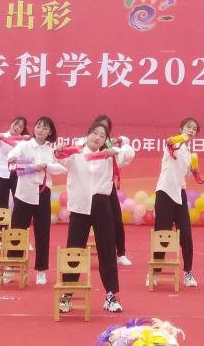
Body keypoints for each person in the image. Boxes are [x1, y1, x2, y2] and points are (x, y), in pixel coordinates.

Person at [55, 120, 135, 313]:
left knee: (107, 251)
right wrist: (59, 151)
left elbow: (129, 153)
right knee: (74, 251)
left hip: (102, 205)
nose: (97, 137)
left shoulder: (110, 156)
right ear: (87, 134)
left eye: (102, 135)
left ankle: (111, 296)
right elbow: (59, 158)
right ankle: (67, 296)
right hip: (80, 207)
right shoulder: (76, 153)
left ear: (106, 139)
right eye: (95, 133)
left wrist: (115, 149)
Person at [7, 116, 66, 286]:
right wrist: (17, 160)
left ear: (50, 132)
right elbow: (12, 157)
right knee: (17, 232)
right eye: (38, 126)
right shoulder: (24, 146)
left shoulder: (50, 150)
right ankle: (12, 268)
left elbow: (61, 168)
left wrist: (46, 165)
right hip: (24, 193)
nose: (40, 130)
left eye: (45, 128)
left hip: (43, 193)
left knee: (42, 232)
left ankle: (41, 270)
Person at [153, 117, 200, 287]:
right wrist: (176, 139)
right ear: (181, 129)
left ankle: (188, 272)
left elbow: (184, 174)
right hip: (165, 192)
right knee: (162, 236)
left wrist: (194, 170)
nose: (191, 130)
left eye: (194, 129)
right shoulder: (173, 143)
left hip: (180, 194)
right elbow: (170, 142)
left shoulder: (188, 152)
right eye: (188, 127)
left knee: (186, 235)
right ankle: (154, 272)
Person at [83, 114, 134, 266]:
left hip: (106, 186)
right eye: (97, 129)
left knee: (116, 219)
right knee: (83, 221)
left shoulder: (109, 145)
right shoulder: (86, 143)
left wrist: (117, 142)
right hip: (87, 187)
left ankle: (121, 253)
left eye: (105, 130)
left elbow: (126, 145)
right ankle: (79, 253)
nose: (99, 135)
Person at [0, 116, 29, 208]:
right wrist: (0, 137)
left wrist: (28, 139)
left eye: (20, 127)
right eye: (16, 124)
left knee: (19, 202)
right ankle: (2, 218)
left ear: (22, 130)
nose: (17, 127)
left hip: (17, 175)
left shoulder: (23, 142)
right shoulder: (2, 136)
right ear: (12, 123)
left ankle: (18, 218)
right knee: (1, 202)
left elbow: (27, 157)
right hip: (1, 174)